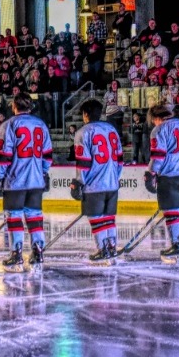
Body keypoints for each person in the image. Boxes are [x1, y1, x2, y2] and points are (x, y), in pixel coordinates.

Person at [0, 92, 52, 272]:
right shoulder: (41, 125)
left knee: (14, 217)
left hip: (15, 180)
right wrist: (42, 173)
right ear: (30, 107)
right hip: (35, 181)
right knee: (34, 217)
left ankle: (16, 253)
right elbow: (47, 155)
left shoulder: (8, 125)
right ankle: (38, 251)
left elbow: (4, 156)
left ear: (14, 106)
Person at [69, 99, 124, 263]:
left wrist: (79, 181)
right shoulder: (111, 130)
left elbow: (84, 162)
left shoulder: (83, 133)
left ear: (86, 115)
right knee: (109, 217)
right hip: (112, 183)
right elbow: (120, 159)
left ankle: (102, 249)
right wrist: (115, 177)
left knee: (95, 217)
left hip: (94, 184)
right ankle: (112, 247)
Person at [144, 103, 179, 264]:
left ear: (156, 118)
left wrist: (151, 173)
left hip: (169, 175)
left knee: (172, 213)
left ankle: (176, 245)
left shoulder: (159, 130)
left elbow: (158, 156)